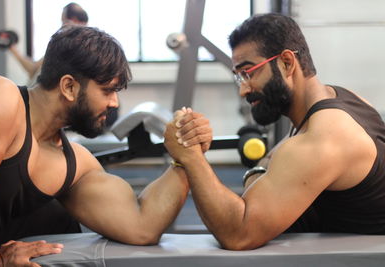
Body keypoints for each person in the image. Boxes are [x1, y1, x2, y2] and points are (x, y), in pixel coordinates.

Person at [0, 26, 212, 266]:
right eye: (107, 91)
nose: (114, 103)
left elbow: (141, 226)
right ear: (69, 87)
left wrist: (186, 156)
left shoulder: (75, 163)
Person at [164, 12, 385, 250]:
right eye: (239, 77)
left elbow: (238, 234)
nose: (243, 89)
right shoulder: (343, 99)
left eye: (248, 72)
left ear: (287, 63)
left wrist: (190, 156)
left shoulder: (323, 139)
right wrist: (261, 169)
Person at [8, 2, 88, 85]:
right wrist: (12, 48)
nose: (62, 26)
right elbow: (34, 70)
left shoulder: (76, 45)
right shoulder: (62, 46)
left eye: (63, 21)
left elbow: (33, 70)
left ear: (73, 20)